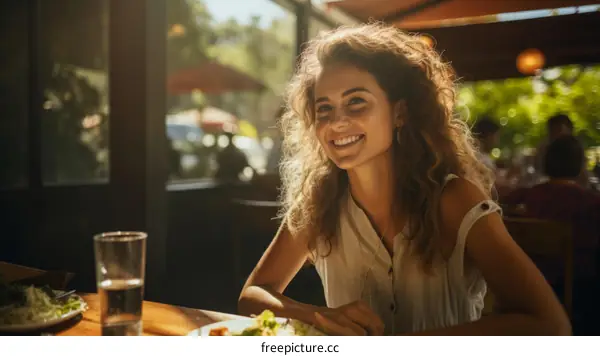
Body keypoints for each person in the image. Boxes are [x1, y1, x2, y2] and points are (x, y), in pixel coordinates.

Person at [238, 23, 570, 336]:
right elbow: (253, 294)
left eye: (356, 102)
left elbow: (551, 326)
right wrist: (320, 317)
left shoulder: (455, 199)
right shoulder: (318, 201)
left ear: (400, 113)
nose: (336, 122)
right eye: (324, 108)